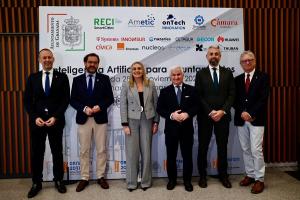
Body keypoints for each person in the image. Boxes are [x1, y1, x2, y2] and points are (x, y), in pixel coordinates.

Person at [24, 48, 70, 198]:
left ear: (53, 59)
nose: (47, 60)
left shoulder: (62, 77)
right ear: (39, 60)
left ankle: (58, 180)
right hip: (37, 123)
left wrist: (56, 117)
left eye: (49, 57)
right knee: (37, 153)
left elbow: (65, 100)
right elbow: (27, 101)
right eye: (44, 58)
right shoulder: (32, 78)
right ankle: (36, 182)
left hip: (55, 122)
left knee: (57, 152)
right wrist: (34, 116)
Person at [70, 53, 114, 192]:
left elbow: (110, 98)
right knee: (84, 150)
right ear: (85, 63)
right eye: (90, 62)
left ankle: (101, 176)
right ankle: (84, 177)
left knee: (101, 149)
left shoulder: (105, 79)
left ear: (98, 64)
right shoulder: (77, 80)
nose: (92, 64)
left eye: (95, 62)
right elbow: (73, 100)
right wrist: (84, 108)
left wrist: (99, 107)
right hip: (83, 119)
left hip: (100, 118)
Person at [195, 45, 235, 189]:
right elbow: (198, 96)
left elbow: (232, 94)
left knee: (222, 147)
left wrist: (222, 111)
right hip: (205, 117)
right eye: (211, 54)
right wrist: (211, 112)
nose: (214, 56)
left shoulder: (228, 73)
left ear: (220, 56)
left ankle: (223, 175)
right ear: (207, 56)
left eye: (216, 54)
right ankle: (202, 176)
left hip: (223, 117)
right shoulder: (200, 74)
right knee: (203, 147)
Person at [156, 66, 198, 192]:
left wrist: (187, 114)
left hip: (187, 130)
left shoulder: (191, 90)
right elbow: (159, 109)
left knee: (187, 157)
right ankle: (172, 180)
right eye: (173, 75)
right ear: (170, 77)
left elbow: (197, 106)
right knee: (171, 157)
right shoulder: (164, 91)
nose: (176, 77)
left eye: (178, 74)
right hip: (171, 130)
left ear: (182, 75)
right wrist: (171, 115)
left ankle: (187, 181)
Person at [120, 61, 160, 192]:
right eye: (134, 69)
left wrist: (156, 122)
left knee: (146, 151)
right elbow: (123, 105)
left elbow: (156, 104)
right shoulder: (126, 85)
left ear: (143, 70)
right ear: (131, 71)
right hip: (131, 121)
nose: (137, 71)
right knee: (132, 153)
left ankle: (145, 182)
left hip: (147, 120)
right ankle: (131, 183)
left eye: (139, 68)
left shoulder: (151, 84)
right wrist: (124, 124)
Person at [234, 51, 269, 194]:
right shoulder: (237, 79)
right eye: (244, 61)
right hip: (241, 119)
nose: (247, 62)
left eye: (250, 60)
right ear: (241, 64)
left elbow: (263, 98)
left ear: (254, 61)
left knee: (256, 150)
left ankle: (259, 179)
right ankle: (250, 174)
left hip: (256, 119)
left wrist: (251, 113)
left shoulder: (263, 77)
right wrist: (242, 112)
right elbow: (234, 98)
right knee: (245, 149)